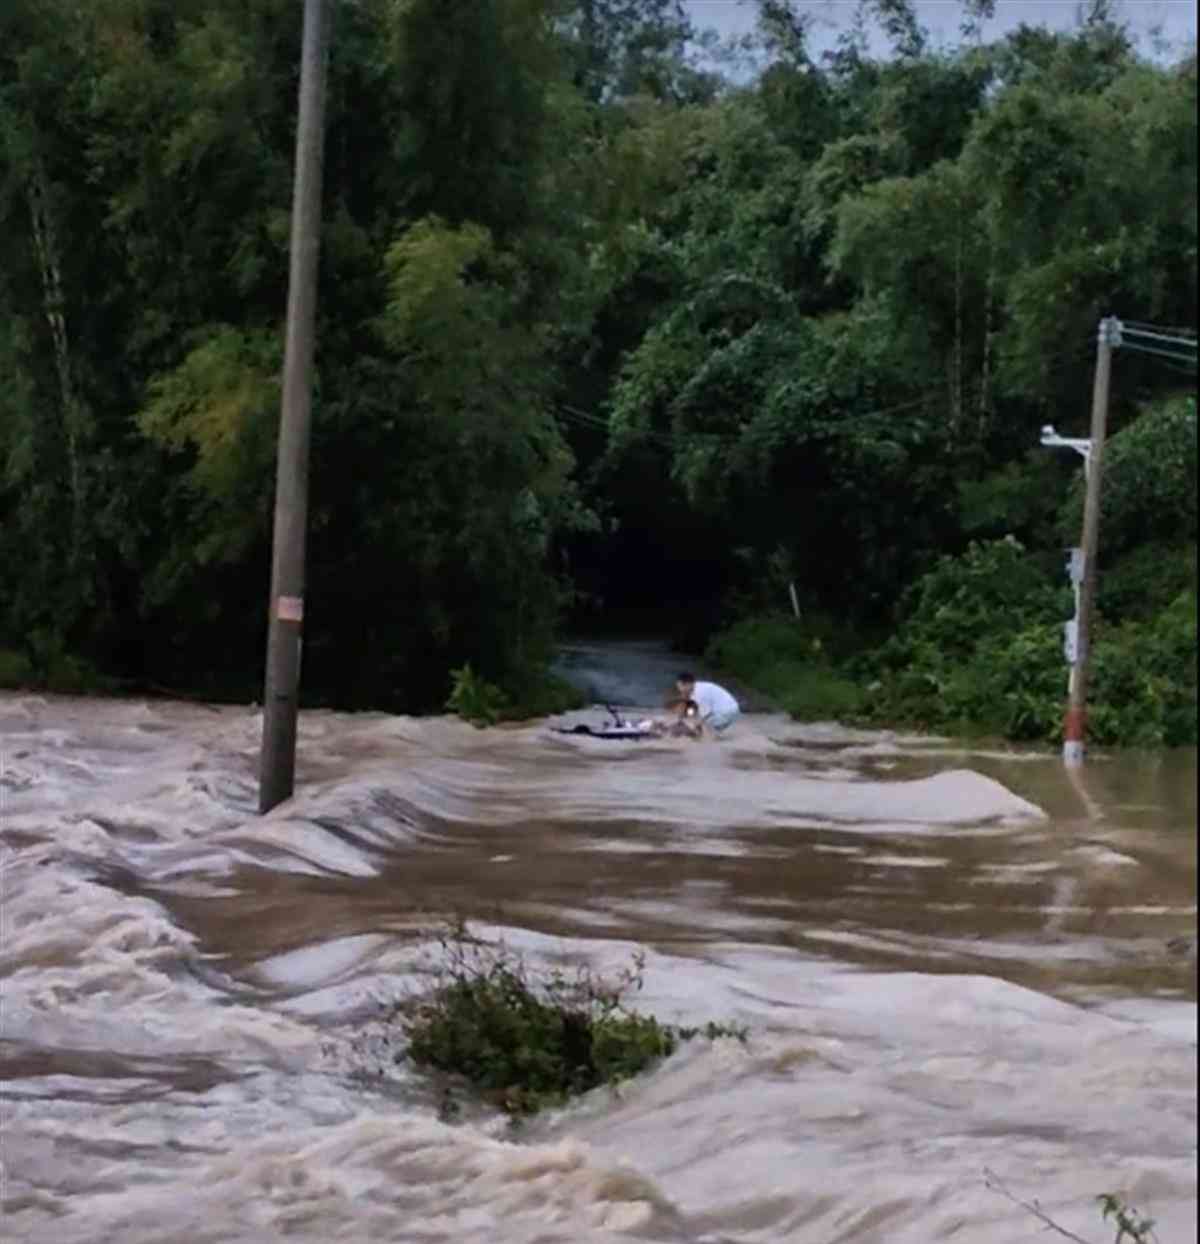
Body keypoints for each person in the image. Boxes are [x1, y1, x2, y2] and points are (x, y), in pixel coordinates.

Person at [674, 672, 739, 737]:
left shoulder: (700, 693)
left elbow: (704, 714)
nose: (680, 689)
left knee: (704, 721)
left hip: (727, 711)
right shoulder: (698, 687)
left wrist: (694, 725)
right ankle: (715, 733)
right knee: (701, 719)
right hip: (729, 710)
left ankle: (712, 736)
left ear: (688, 684)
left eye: (681, 686)